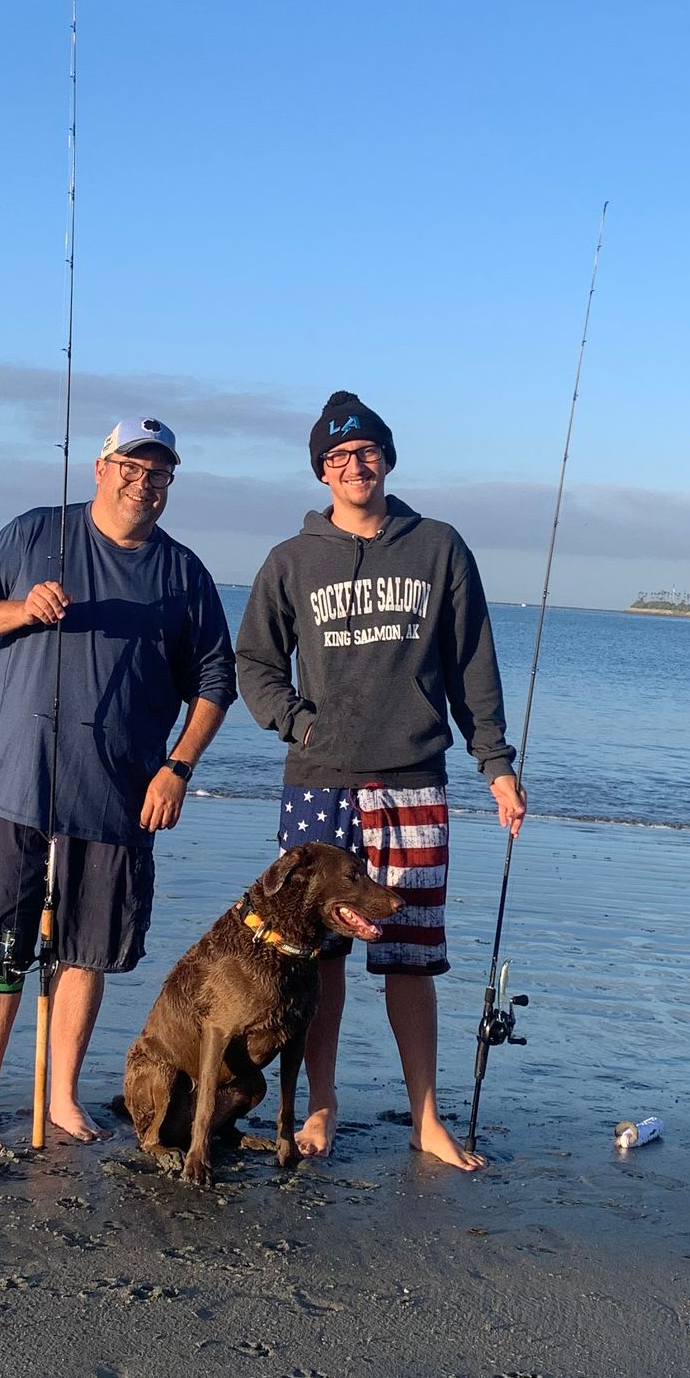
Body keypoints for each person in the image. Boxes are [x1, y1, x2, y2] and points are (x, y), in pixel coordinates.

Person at [235, 391, 525, 1171]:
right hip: (319, 783)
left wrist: (495, 767)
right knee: (317, 957)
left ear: (387, 460)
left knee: (410, 954)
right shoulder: (290, 562)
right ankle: (319, 1106)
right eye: (337, 458)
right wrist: (297, 721)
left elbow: (474, 666)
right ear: (322, 473)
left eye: (366, 453)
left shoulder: (438, 547)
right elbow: (255, 664)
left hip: (412, 782)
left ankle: (426, 1118)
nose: (354, 467)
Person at [0, 416, 235, 1142]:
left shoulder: (183, 573)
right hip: (13, 785)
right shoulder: (36, 534)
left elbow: (216, 680)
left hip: (117, 795)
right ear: (100, 468)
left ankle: (62, 1096)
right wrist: (20, 609)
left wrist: (177, 767)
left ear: (170, 484)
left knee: (84, 950)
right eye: (130, 466)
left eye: (158, 472)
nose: (143, 482)